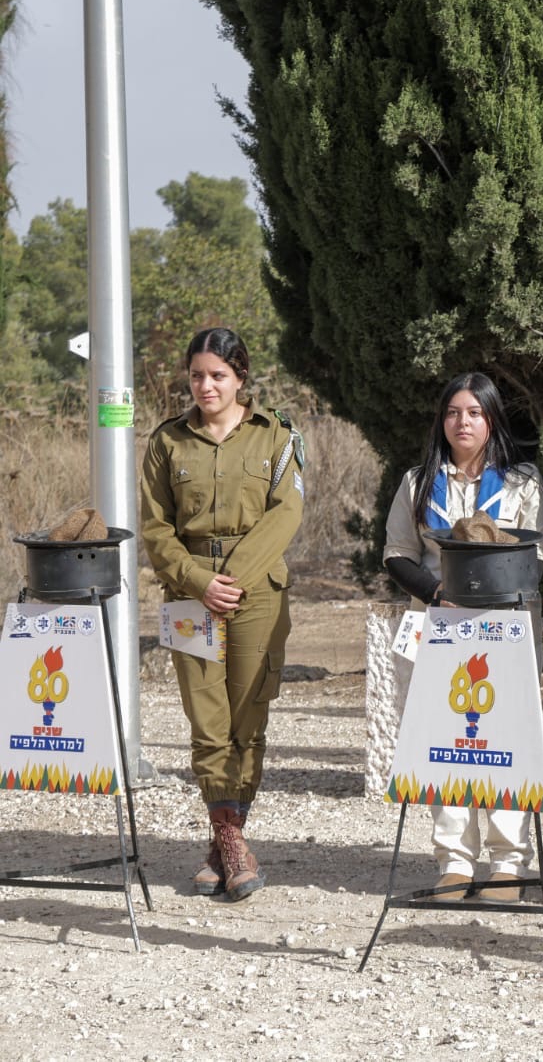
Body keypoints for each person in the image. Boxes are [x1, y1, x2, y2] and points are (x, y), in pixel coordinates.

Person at [140, 327, 304, 902]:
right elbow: (156, 529)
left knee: (247, 716)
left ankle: (221, 841)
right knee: (206, 720)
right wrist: (198, 581)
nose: (205, 386)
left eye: (217, 375)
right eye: (196, 376)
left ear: (240, 378)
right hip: (189, 596)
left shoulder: (276, 436)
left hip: (255, 591)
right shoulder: (167, 442)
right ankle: (232, 843)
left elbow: (287, 512)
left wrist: (232, 579)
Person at [382, 372, 543, 902]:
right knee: (445, 743)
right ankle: (454, 862)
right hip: (438, 628)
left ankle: (508, 863)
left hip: (504, 628)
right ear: (443, 420)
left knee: (504, 742)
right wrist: (439, 593)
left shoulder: (521, 483)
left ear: (492, 420)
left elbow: (542, 553)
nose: (463, 422)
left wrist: (490, 595)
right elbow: (396, 554)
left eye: (475, 413)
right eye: (454, 412)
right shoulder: (418, 482)